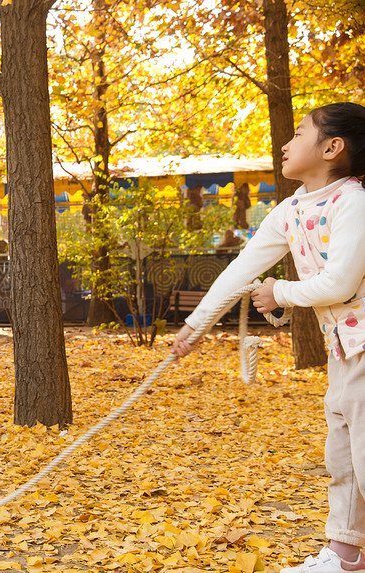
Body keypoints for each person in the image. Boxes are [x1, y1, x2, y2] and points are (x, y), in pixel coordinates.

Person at [172, 102, 365, 572]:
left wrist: (281, 291)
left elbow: (340, 283)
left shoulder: (354, 203)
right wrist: (197, 324)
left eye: (299, 133)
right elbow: (242, 269)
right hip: (344, 351)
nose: (286, 142)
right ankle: (344, 556)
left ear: (332, 148)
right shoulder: (291, 209)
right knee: (342, 457)